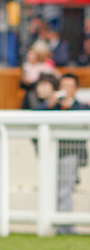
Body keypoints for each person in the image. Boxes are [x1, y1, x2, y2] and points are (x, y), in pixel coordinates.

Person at [35, 73, 89, 234]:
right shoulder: (53, 105)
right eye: (63, 86)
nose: (66, 90)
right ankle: (60, 225)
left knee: (65, 189)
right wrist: (51, 104)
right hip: (52, 154)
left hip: (70, 153)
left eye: (69, 86)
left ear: (76, 89)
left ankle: (65, 226)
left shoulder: (82, 106)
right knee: (52, 188)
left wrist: (68, 105)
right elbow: (35, 114)